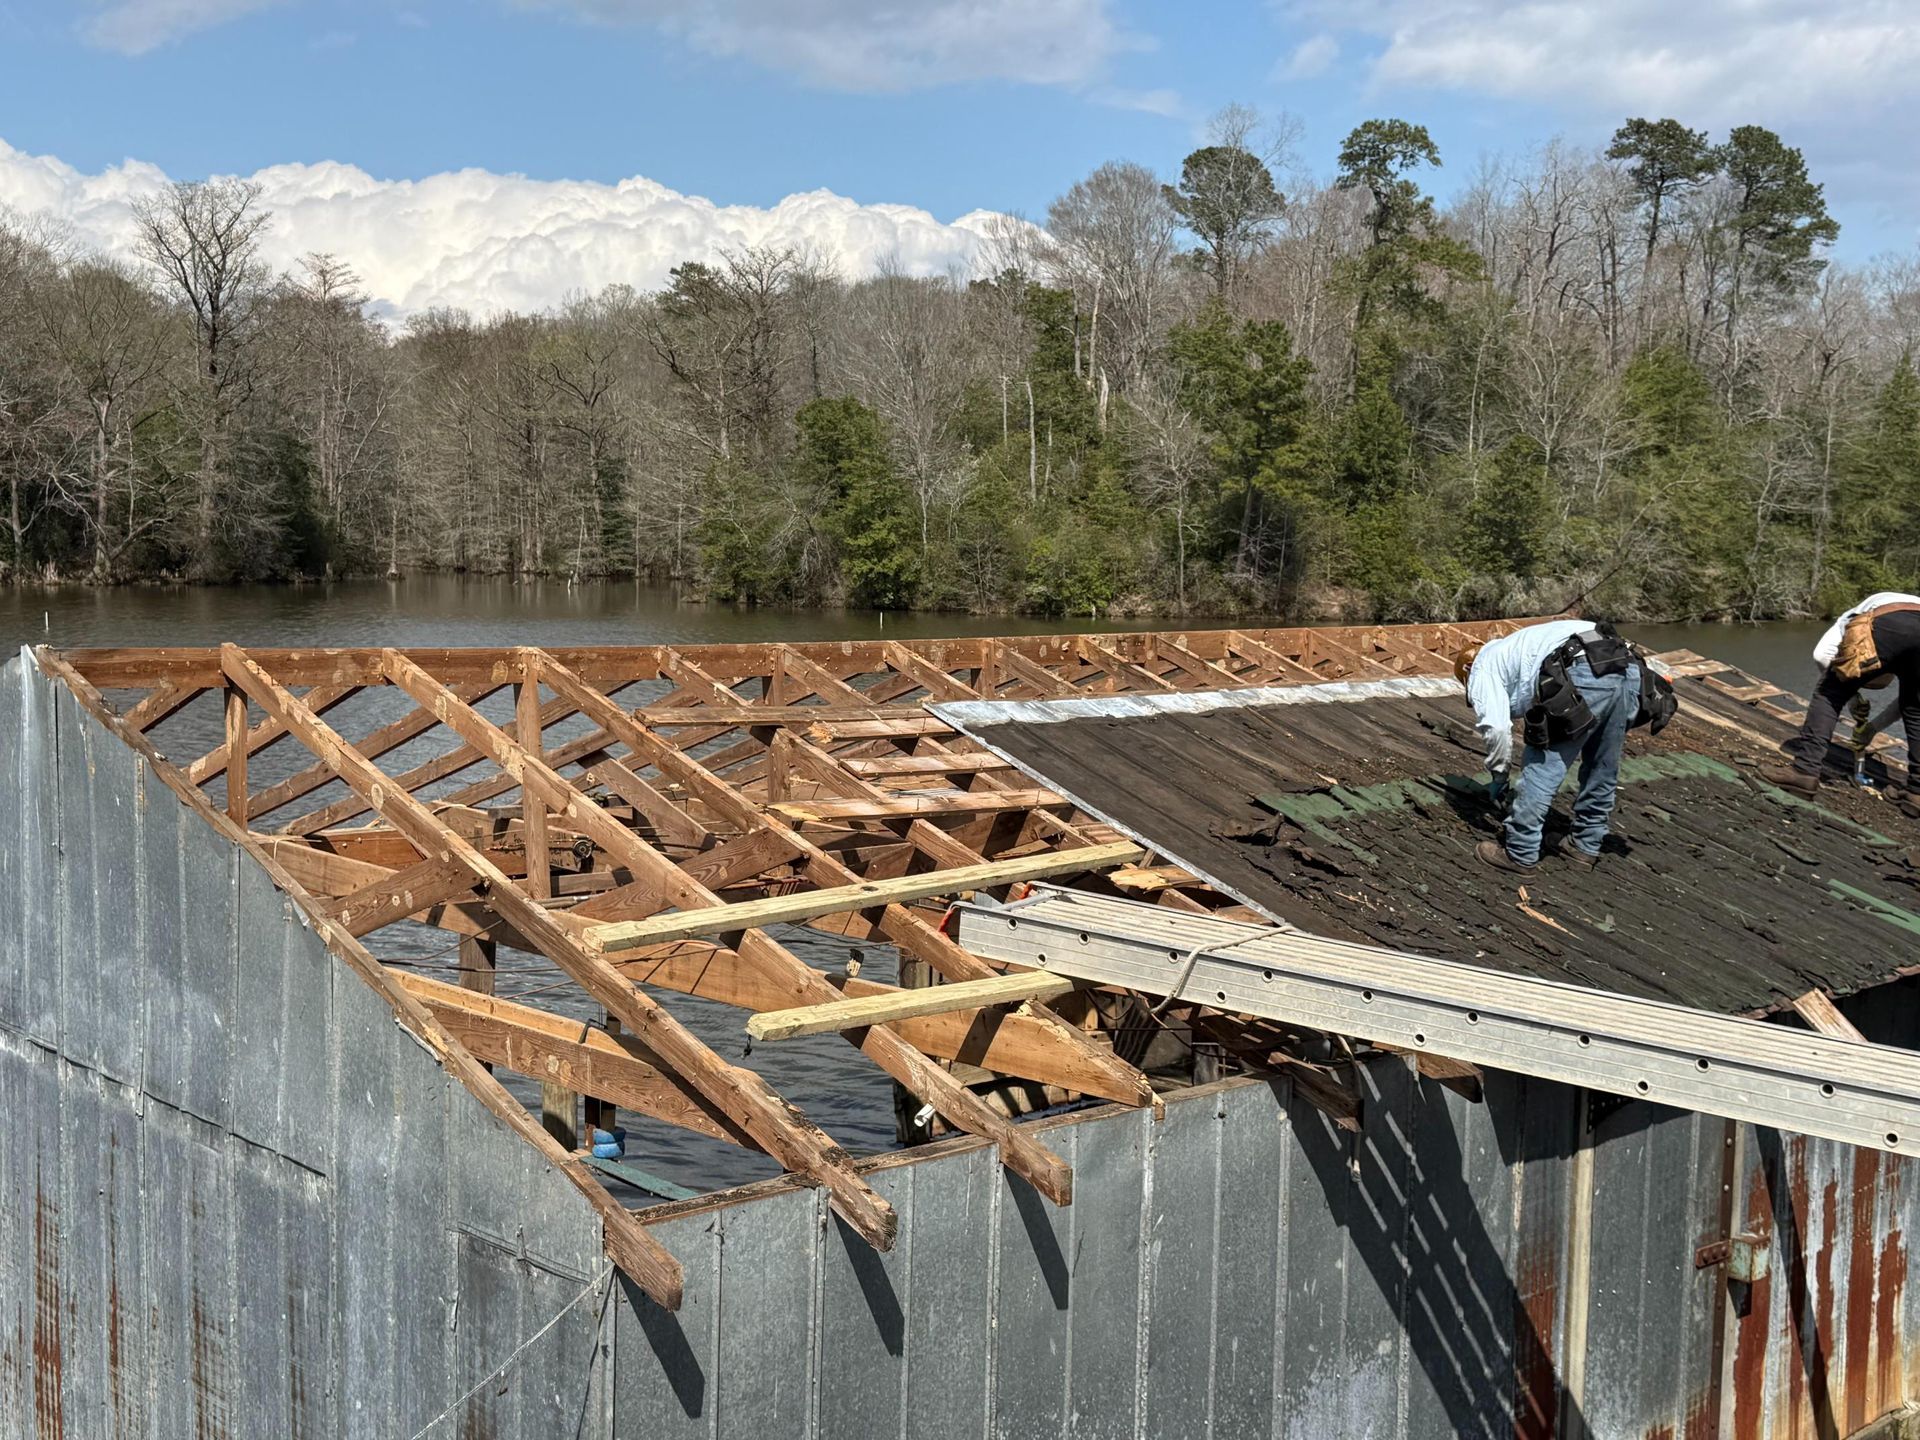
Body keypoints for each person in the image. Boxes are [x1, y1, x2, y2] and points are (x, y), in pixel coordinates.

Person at [1455, 620, 1674, 874]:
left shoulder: (1483, 665)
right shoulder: (1517, 647)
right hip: (1626, 669)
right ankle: (1584, 846)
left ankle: (1520, 852)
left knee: (1542, 766)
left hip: (1583, 670)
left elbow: (1497, 727)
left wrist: (1499, 774)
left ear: (1468, 668)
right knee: (1602, 766)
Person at [1760, 593, 1920, 816]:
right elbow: (1909, 707)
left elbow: (1821, 656)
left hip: (1888, 622)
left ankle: (1804, 772)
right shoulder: (1872, 608)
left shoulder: (1858, 614)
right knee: (1917, 711)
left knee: (1829, 692)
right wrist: (1870, 726)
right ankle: (1916, 793)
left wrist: (1850, 695)